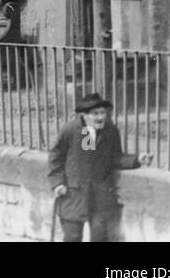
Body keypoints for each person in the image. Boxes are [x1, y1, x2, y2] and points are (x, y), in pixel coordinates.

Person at [49, 92, 152, 242]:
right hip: (74, 193)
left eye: (103, 113)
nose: (100, 117)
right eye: (95, 114)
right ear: (84, 115)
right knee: (72, 237)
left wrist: (137, 159)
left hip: (99, 196)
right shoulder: (71, 130)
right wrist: (57, 183)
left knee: (100, 237)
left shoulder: (110, 131)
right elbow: (56, 158)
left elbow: (115, 158)